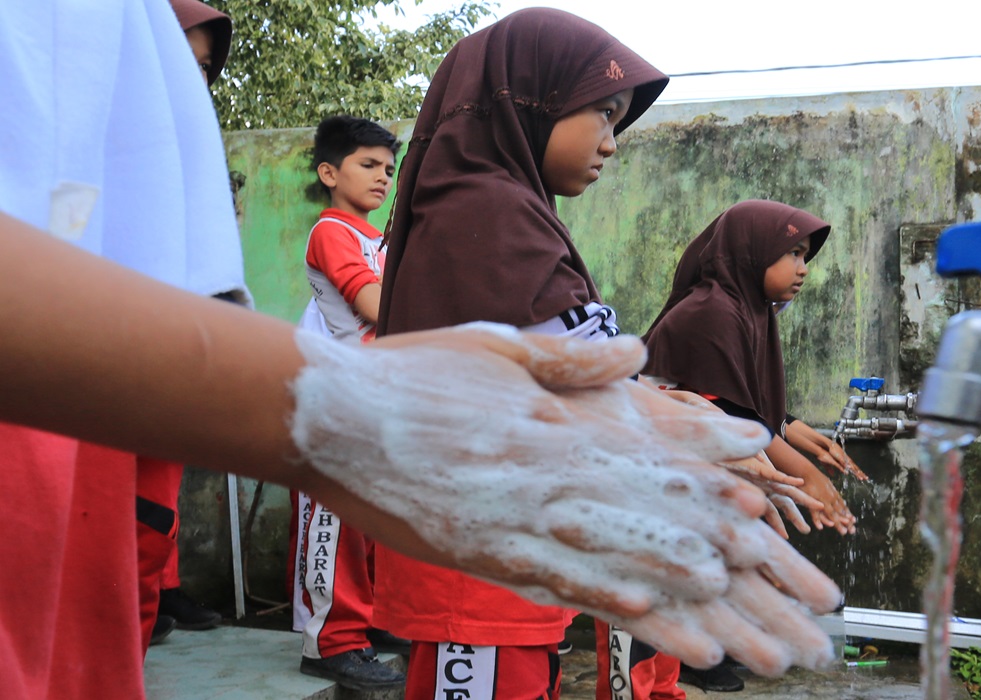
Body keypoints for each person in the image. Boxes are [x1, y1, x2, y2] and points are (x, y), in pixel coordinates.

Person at [0, 2, 841, 697]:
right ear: (529, 102)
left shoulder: (511, 214)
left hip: (488, 520)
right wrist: (340, 419)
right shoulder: (481, 215)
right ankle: (332, 640)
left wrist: (699, 431)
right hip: (474, 538)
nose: (613, 141)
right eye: (602, 113)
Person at [638, 200, 859, 692]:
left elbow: (751, 404)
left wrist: (796, 434)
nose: (803, 269)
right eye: (793, 253)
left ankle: (696, 650)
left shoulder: (750, 310)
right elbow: (733, 418)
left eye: (806, 256)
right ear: (752, 252)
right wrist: (809, 477)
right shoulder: (711, 312)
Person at [287, 114, 406, 690]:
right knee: (336, 522)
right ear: (329, 172)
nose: (383, 177)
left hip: (374, 394)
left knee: (372, 523)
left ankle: (367, 624)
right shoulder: (333, 230)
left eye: (389, 168)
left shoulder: (378, 239)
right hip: (339, 396)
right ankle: (330, 642)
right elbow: (376, 307)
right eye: (368, 165)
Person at [134, 0, 236, 652]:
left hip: (164, 357)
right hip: (108, 364)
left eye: (203, 69)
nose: (192, 83)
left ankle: (157, 595)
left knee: (155, 500)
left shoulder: (186, 154)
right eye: (179, 60)